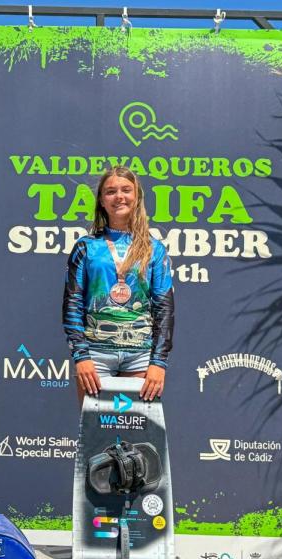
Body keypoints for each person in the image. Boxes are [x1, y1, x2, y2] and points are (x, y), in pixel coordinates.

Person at [63, 166, 174, 403]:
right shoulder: (86, 247)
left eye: (126, 190)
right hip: (95, 355)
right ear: (101, 201)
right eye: (111, 191)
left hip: (140, 356)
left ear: (137, 197)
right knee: (94, 426)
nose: (119, 197)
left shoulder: (155, 249)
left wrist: (158, 362)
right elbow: (72, 303)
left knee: (134, 426)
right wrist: (81, 356)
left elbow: (164, 309)